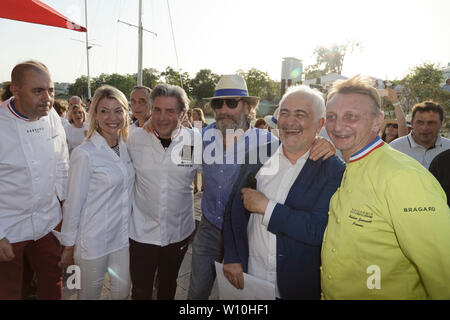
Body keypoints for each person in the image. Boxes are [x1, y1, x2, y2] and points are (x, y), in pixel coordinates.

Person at [187, 74, 335, 300]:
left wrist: (324, 143)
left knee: (232, 293)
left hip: (242, 232)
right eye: (218, 103)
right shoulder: (204, 135)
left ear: (247, 107)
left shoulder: (266, 143)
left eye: (231, 102)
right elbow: (173, 138)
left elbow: (298, 144)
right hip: (209, 228)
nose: (223, 109)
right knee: (197, 291)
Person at [321, 75, 450, 299]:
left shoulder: (403, 177)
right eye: (331, 116)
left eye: (350, 116)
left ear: (377, 121)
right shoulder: (352, 166)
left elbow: (443, 271)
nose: (337, 125)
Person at [222, 85, 344, 299]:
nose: (289, 121)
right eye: (285, 113)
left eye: (300, 114)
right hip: (251, 279)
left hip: (297, 287)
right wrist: (232, 256)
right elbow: (235, 207)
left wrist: (266, 207)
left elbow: (319, 230)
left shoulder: (333, 168)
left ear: (320, 124)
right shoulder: (259, 155)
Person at [0, 61, 69, 299]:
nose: (47, 99)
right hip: (8, 226)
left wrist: (66, 208)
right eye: (38, 91)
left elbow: (62, 164)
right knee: (9, 290)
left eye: (50, 90)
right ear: (15, 90)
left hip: (48, 221)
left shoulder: (52, 117)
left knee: (53, 281)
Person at [58, 85, 134, 300]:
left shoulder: (128, 146)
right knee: (88, 295)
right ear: (94, 114)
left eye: (118, 110)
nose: (113, 117)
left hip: (121, 237)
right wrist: (68, 247)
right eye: (104, 111)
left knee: (121, 293)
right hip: (92, 240)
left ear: (126, 113)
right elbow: (73, 204)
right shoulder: (85, 153)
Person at [129, 84, 201, 300]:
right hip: (141, 233)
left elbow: (215, 171)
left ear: (182, 113)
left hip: (178, 232)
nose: (162, 117)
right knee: (140, 290)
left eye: (170, 111)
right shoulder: (133, 138)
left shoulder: (194, 139)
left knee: (168, 285)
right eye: (158, 110)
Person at [389, 101, 450, 169]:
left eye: (431, 123)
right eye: (420, 122)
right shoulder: (395, 148)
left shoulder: (448, 147)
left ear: (441, 124)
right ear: (412, 123)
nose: (425, 128)